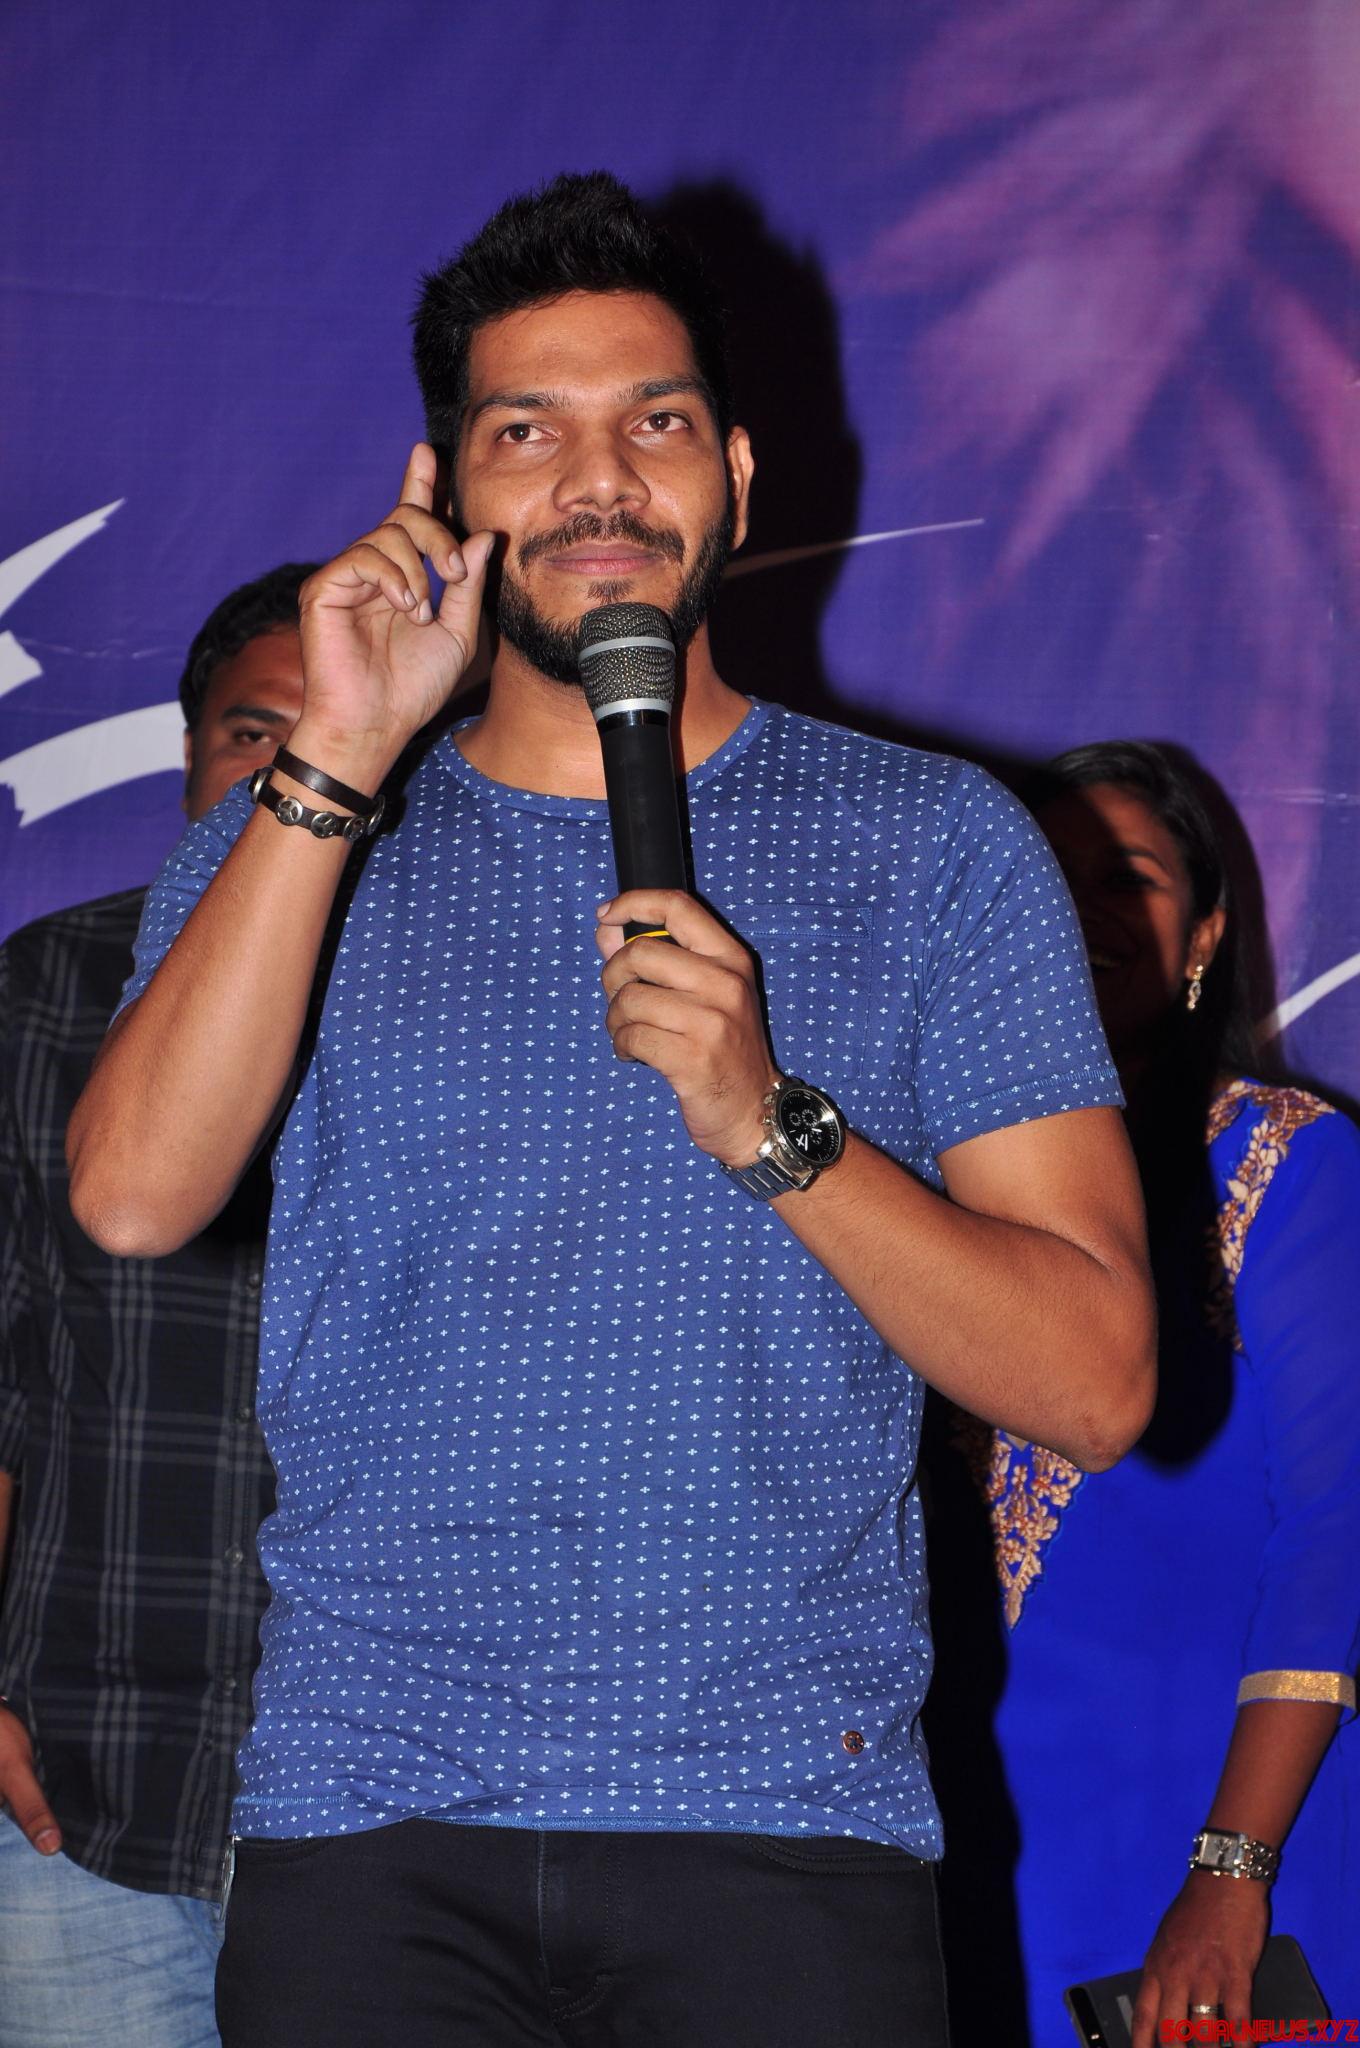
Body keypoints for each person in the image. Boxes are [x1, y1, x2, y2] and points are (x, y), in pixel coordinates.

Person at [66, 173, 1156, 2048]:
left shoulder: (934, 846)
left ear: (737, 471)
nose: (597, 482)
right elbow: (131, 1199)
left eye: (652, 422)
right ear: (443, 494)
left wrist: (770, 1126)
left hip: (782, 1823)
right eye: (527, 432)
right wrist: (339, 751)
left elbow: (1097, 1381)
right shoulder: (308, 834)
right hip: (374, 1824)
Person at [936, 741, 1360, 2046]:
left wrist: (1232, 1871)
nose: (1086, 914)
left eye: (1128, 878)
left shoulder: (1287, 1163)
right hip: (956, 1849)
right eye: (1048, 883)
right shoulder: (913, 1191)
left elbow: (1339, 1531)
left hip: (1217, 1863)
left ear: (1206, 937)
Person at [0, 563, 314, 2047]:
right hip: (82, 1790)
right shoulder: (50, 991)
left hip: (406, 1811)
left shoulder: (486, 1018)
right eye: (255, 734)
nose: (295, 774)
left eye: (343, 738)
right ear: (189, 755)